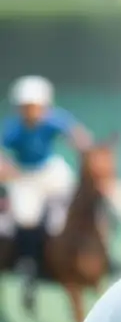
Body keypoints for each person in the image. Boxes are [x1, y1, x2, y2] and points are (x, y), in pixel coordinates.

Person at [1, 75, 92, 276]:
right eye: (26, 106)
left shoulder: (53, 120)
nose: (31, 110)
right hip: (24, 176)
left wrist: (83, 148)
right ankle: (28, 259)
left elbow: (77, 135)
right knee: (26, 217)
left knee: (75, 199)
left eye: (35, 106)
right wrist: (6, 168)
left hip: (50, 170)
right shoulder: (13, 129)